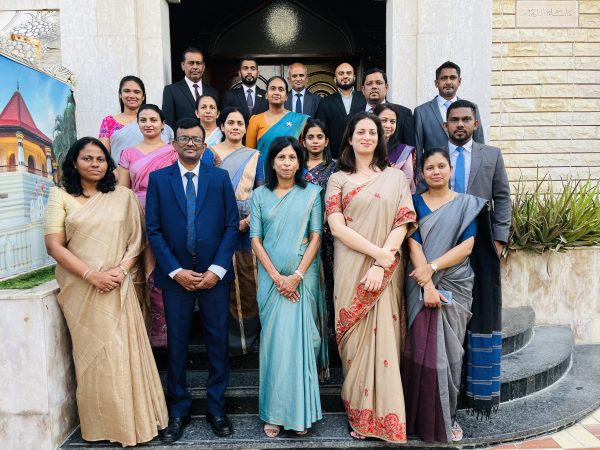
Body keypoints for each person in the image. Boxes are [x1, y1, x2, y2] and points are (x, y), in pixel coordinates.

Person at [44, 137, 168, 446]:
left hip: (119, 284)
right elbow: (54, 246)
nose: (95, 164)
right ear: (74, 163)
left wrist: (121, 271)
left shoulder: (123, 196)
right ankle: (103, 425)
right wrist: (91, 275)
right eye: (88, 158)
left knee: (125, 352)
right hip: (82, 289)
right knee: (95, 356)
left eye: (101, 159)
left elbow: (137, 240)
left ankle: (138, 421)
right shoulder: (60, 196)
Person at [145, 118, 239, 442]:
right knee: (177, 346)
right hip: (176, 278)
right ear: (174, 144)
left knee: (217, 343)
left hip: (215, 277)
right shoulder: (160, 180)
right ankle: (178, 411)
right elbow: (153, 229)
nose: (189, 143)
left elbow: (231, 226)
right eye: (183, 138)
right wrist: (175, 271)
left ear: (204, 144)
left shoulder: (219, 178)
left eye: (195, 139)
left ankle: (217, 409)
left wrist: (217, 270)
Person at [325, 112, 417, 442]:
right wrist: (377, 255)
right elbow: (337, 227)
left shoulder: (395, 177)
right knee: (354, 340)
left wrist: (381, 264)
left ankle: (387, 418)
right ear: (349, 138)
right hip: (351, 267)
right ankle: (360, 416)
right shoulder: (338, 179)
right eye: (360, 132)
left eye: (372, 132)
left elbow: (403, 222)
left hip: (387, 269)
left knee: (385, 338)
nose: (367, 137)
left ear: (380, 138)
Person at [402, 147, 500, 443]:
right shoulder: (414, 203)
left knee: (452, 355)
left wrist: (432, 268)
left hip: (456, 283)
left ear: (450, 169)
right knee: (418, 350)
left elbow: (467, 246)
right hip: (419, 284)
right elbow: (413, 243)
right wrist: (428, 285)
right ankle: (417, 419)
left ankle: (448, 416)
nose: (436, 172)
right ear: (421, 174)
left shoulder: (466, 204)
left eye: (441, 166)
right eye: (429, 168)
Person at [250, 136, 328, 437]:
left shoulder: (311, 193)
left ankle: (300, 413)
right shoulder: (260, 195)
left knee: (302, 344)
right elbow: (255, 239)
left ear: (300, 162)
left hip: (302, 277)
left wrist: (296, 275)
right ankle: (274, 412)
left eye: (292, 158)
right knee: (275, 346)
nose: (286, 163)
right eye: (281, 157)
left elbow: (316, 236)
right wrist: (277, 277)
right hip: (271, 281)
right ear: (272, 162)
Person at [203, 106, 265, 355]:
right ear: (222, 126)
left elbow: (261, 192)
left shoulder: (255, 155)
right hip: (218, 224)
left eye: (240, 123)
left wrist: (249, 220)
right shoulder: (210, 154)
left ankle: (249, 337)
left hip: (249, 225)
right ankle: (227, 340)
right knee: (223, 279)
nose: (236, 127)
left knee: (249, 280)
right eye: (231, 123)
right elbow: (205, 191)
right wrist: (224, 223)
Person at [118, 103, 178, 348]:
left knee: (163, 266)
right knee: (141, 269)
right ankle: (144, 328)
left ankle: (167, 329)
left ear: (163, 124)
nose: (148, 124)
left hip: (166, 213)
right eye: (143, 120)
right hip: (137, 214)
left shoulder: (173, 152)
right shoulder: (128, 154)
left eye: (154, 120)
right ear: (138, 124)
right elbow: (123, 191)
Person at [417, 99, 511, 255]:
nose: (460, 124)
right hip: (440, 237)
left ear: (476, 124)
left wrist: (499, 239)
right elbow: (422, 196)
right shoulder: (433, 158)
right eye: (454, 120)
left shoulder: (492, 155)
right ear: (445, 125)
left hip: (482, 237)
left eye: (466, 119)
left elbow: (502, 198)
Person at [301, 118, 337, 342]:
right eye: (310, 137)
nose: (315, 141)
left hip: (329, 236)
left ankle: (330, 337)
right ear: (303, 142)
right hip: (300, 236)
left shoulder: (336, 167)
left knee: (330, 283)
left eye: (319, 137)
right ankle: (307, 337)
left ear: (326, 141)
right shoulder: (295, 166)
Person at [414, 61, 485, 171]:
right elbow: (417, 149)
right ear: (436, 83)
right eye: (444, 78)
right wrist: (419, 174)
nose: (448, 82)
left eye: (452, 78)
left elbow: (479, 142)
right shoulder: (421, 112)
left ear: (459, 81)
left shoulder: (471, 108)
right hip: (435, 173)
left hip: (466, 170)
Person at [99, 75, 174, 166]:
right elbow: (102, 154)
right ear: (120, 94)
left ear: (143, 96)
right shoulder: (109, 121)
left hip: (154, 172)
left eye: (137, 92)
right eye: (127, 91)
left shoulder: (157, 124)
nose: (132, 95)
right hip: (118, 172)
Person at [245, 76, 309, 158]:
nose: (276, 92)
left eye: (281, 89)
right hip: (263, 166)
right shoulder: (256, 120)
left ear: (286, 97)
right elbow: (249, 155)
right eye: (273, 88)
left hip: (290, 165)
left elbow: (304, 153)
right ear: (266, 95)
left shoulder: (298, 120)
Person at [315, 62, 366, 158]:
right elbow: (321, 131)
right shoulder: (325, 102)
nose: (345, 76)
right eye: (341, 73)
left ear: (354, 77)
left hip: (362, 155)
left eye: (348, 73)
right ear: (335, 79)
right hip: (335, 158)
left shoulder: (364, 98)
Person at [162, 47, 220, 129]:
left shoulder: (213, 92)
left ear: (203, 66)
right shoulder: (171, 90)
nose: (195, 67)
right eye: (191, 63)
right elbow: (168, 124)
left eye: (198, 63)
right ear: (183, 65)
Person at [362, 68, 415, 146]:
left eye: (378, 83)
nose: (374, 87)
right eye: (369, 83)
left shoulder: (404, 114)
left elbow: (409, 148)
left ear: (386, 88)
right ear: (363, 89)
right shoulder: (352, 115)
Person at [374, 103, 416, 193]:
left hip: (395, 196)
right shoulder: (366, 147)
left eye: (392, 122)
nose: (388, 125)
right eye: (383, 121)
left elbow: (406, 181)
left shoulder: (403, 151)